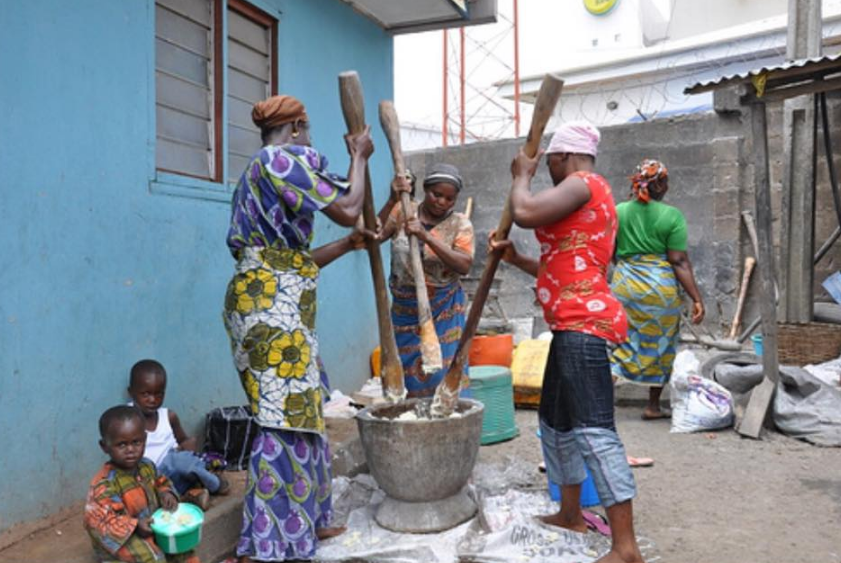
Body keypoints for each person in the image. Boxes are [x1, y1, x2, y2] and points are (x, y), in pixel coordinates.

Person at [222, 94, 372, 563]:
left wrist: (349, 244)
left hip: (277, 300)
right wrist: (359, 156)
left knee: (303, 413)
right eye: (309, 133)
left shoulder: (265, 171)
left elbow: (298, 259)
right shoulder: (277, 160)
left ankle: (307, 522)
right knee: (280, 422)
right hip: (269, 308)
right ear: (297, 127)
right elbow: (348, 204)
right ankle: (266, 541)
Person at [489, 122, 644, 563]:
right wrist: (515, 257)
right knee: (556, 423)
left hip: (584, 326)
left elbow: (525, 211)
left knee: (595, 430)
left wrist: (522, 174)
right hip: (567, 324)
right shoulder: (585, 198)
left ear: (562, 157)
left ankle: (626, 547)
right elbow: (558, 269)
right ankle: (570, 513)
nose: (548, 170)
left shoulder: (583, 183)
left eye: (549, 163)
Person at [610, 159, 704, 420]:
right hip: (659, 290)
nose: (668, 186)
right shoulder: (671, 216)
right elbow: (679, 260)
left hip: (624, 285)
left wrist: (627, 271)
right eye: (666, 181)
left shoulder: (618, 211)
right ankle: (652, 406)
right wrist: (697, 299)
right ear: (659, 184)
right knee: (662, 344)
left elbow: (610, 252)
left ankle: (602, 406)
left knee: (619, 343)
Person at [378, 164, 475, 397]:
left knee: (442, 366)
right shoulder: (403, 210)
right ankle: (415, 418)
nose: (442, 202)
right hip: (405, 308)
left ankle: (447, 418)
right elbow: (373, 235)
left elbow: (464, 265)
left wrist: (426, 237)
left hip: (444, 308)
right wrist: (392, 200)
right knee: (407, 367)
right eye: (437, 195)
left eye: (450, 199)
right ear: (424, 189)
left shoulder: (460, 224)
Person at [84, 405, 199, 563]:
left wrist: (166, 493)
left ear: (145, 439)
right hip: (125, 538)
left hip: (152, 526)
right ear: (105, 446)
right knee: (152, 557)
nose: (131, 450)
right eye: (122, 445)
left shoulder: (147, 466)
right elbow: (99, 522)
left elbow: (162, 482)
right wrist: (135, 525)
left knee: (182, 549)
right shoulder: (104, 484)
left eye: (136, 442)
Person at [127, 360, 229, 510]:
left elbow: (185, 441)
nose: (152, 400)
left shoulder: (168, 416)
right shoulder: (127, 419)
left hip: (173, 472)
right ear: (131, 393)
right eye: (146, 394)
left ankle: (213, 483)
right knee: (144, 497)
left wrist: (188, 448)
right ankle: (189, 496)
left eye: (158, 394)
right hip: (148, 478)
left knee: (179, 462)